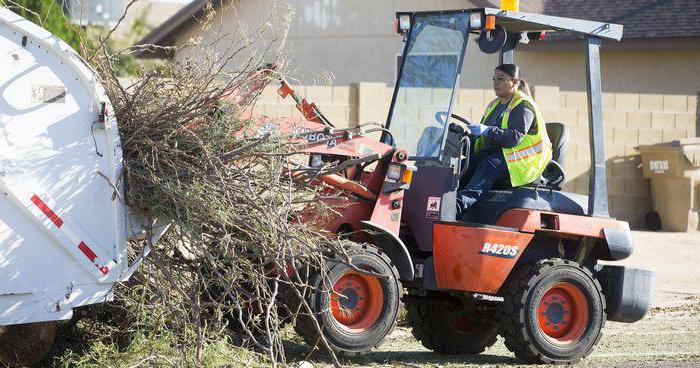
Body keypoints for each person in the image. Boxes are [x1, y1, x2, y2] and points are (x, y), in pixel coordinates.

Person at [456, 64, 552, 214]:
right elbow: (485, 135)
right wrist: (464, 137)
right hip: (502, 153)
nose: (496, 83)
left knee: (489, 166)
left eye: (500, 79)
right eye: (494, 79)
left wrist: (488, 130)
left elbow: (513, 138)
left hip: (523, 159)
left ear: (514, 82)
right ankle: (443, 197)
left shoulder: (523, 106)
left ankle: (459, 205)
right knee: (465, 164)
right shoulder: (494, 105)